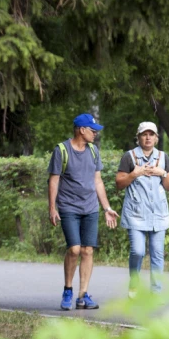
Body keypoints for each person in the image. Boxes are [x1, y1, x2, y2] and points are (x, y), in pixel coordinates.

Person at [48, 113, 119, 310]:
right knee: (74, 249)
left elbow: (98, 181)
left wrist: (107, 208)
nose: (95, 134)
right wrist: (52, 208)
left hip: (90, 208)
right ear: (81, 130)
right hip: (69, 207)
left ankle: (83, 295)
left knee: (88, 250)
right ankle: (68, 289)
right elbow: (54, 180)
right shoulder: (61, 150)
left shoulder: (94, 151)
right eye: (92, 130)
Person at [115, 122, 169, 298]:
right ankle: (134, 283)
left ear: (156, 138)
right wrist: (135, 174)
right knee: (138, 251)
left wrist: (161, 173)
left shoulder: (163, 157)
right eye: (144, 134)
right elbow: (119, 183)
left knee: (157, 253)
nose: (148, 137)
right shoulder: (129, 157)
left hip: (158, 213)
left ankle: (156, 293)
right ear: (138, 137)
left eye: (151, 134)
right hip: (136, 214)